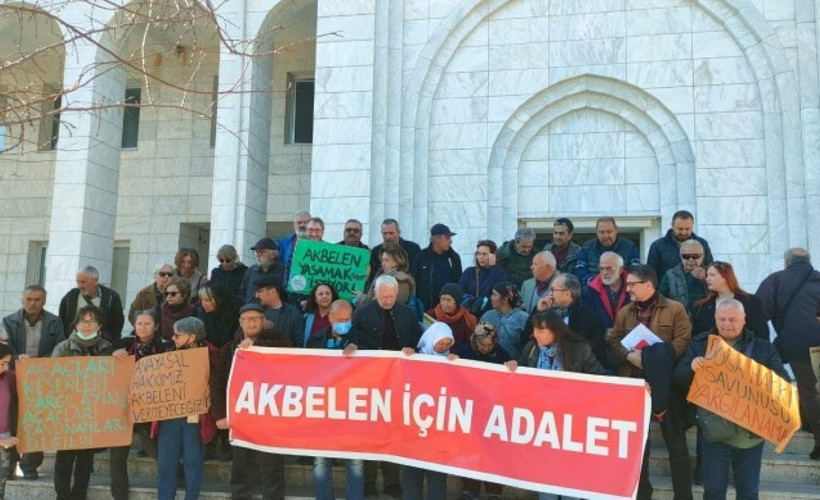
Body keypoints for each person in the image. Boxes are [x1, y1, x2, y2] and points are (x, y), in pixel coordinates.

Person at [674, 299, 789, 498]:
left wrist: (757, 378)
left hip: (751, 435)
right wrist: (692, 366)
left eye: (733, 319)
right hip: (713, 432)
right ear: (715, 319)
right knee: (713, 491)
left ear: (744, 320)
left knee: (748, 493)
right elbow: (679, 377)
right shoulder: (700, 343)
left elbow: (784, 384)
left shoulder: (763, 348)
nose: (727, 324)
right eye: (722, 319)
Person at [607, 265, 692, 500]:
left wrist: (652, 361)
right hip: (634, 386)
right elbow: (614, 340)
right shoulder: (625, 312)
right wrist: (628, 356)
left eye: (632, 284)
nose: (628, 288)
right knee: (637, 449)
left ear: (648, 284)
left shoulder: (675, 309)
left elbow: (683, 342)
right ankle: (642, 495)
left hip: (666, 386)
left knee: (676, 446)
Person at [349, 275, 422, 498]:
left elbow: (419, 341)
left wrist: (412, 349)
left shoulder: (408, 313)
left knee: (392, 432)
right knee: (370, 434)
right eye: (384, 297)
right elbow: (353, 337)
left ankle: (392, 483)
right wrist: (352, 344)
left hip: (398, 383)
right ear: (376, 295)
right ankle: (369, 484)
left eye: (392, 296)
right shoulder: (362, 312)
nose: (388, 300)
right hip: (370, 382)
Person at [211, 304, 291, 499]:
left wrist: (257, 348)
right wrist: (220, 415)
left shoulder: (278, 343)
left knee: (271, 467)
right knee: (241, 468)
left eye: (256, 318)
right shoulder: (229, 348)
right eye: (247, 319)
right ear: (240, 322)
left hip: (270, 417)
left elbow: (291, 361)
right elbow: (217, 384)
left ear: (264, 322)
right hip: (242, 418)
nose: (252, 322)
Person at [755, 247, 820, 459]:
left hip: (799, 347)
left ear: (787, 263)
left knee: (810, 391)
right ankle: (809, 424)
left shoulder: (776, 280)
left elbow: (758, 313)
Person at [51, 305, 115, 500]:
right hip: (67, 413)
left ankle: (79, 495)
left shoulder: (107, 348)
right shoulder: (63, 348)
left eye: (91, 321)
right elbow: (51, 380)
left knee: (85, 460)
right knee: (64, 459)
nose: (87, 325)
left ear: (99, 325)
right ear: (75, 324)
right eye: (82, 321)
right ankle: (62, 496)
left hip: (92, 415)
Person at [305, 300, 365, 498]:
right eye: (340, 319)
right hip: (323, 408)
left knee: (355, 462)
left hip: (352, 409)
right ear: (330, 318)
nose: (344, 323)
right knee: (321, 461)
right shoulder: (316, 339)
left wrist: (361, 349)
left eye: (348, 319)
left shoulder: (361, 340)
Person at [1, 284, 63, 479]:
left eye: (37, 299)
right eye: (29, 299)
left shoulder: (55, 322)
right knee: (11, 419)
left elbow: (59, 348)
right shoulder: (8, 320)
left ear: (44, 301)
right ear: (22, 300)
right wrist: (19, 357)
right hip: (13, 377)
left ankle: (30, 467)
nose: (33, 303)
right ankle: (9, 466)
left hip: (41, 380)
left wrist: (37, 364)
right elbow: (4, 346)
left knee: (37, 423)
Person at [110, 309, 169, 500]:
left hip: (147, 408)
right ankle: (119, 496)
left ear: (156, 326)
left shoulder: (166, 348)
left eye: (147, 324)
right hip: (122, 407)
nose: (142, 327)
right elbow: (103, 358)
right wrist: (113, 352)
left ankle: (181, 476)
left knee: (153, 449)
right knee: (117, 455)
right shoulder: (125, 344)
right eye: (139, 324)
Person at [157, 317, 215, 500]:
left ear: (192, 336)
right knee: (166, 464)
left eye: (177, 335)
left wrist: (210, 388)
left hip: (195, 418)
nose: (173, 338)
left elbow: (220, 383)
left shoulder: (212, 356)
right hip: (169, 417)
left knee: (193, 463)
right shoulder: (167, 355)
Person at [399, 322, 456, 500]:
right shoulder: (415, 357)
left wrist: (458, 367)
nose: (444, 347)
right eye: (441, 342)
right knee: (412, 477)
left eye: (448, 343)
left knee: (437, 480)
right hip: (414, 430)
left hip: (439, 432)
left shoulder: (454, 362)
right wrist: (407, 358)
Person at [454, 323, 509, 500]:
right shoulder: (464, 352)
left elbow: (512, 380)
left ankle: (494, 492)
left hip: (493, 413)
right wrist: (451, 362)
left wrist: (512, 366)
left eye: (489, 346)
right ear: (475, 342)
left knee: (494, 454)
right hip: (469, 411)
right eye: (482, 345)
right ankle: (470, 490)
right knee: (471, 451)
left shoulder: (502, 354)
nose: (486, 349)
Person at [536, 273, 608, 371]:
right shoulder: (546, 312)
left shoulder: (591, 319)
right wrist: (539, 311)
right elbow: (527, 338)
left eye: (553, 290)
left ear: (567, 294)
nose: (550, 294)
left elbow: (599, 355)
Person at [692, 261, 768, 339]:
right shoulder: (702, 306)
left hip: (744, 350)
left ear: (725, 277)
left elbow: (761, 333)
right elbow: (697, 337)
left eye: (712, 275)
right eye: (707, 275)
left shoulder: (751, 302)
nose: (707, 279)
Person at [58, 265, 125, 340]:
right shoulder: (70, 297)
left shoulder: (112, 297)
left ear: (96, 281)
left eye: (83, 282)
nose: (80, 285)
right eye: (78, 281)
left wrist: (111, 341)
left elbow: (118, 322)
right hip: (74, 344)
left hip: (101, 345)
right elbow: (61, 320)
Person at [647, 210, 714, 278]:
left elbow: (711, 268)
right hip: (668, 287)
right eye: (680, 229)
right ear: (672, 226)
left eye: (687, 229)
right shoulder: (657, 246)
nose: (683, 232)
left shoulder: (703, 244)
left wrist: (705, 273)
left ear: (692, 226)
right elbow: (651, 274)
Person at [575, 217, 640, 285]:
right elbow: (580, 270)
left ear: (616, 230)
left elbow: (635, 271)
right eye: (601, 232)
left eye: (609, 232)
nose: (606, 236)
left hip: (622, 289)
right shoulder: (586, 247)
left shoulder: (630, 246)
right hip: (593, 289)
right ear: (596, 232)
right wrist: (597, 283)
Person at [412, 223, 463, 310]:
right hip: (426, 308)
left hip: (449, 308)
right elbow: (414, 280)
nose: (450, 241)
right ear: (436, 239)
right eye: (447, 238)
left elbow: (458, 282)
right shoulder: (421, 257)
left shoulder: (454, 257)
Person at [658, 239, 708, 320]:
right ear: (680, 256)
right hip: (680, 322)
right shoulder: (670, 275)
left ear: (703, 256)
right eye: (686, 256)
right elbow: (661, 301)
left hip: (706, 323)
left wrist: (707, 279)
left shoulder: (711, 273)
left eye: (696, 256)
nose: (691, 260)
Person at [479, 282, 529, 361]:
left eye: (494, 295)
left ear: (505, 299)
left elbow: (527, 347)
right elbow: (477, 340)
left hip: (513, 367)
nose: (491, 298)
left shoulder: (523, 318)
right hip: (488, 365)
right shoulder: (487, 316)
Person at [581, 251, 630, 329]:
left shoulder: (634, 288)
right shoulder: (588, 291)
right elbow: (586, 322)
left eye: (609, 268)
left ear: (620, 269)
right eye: (601, 269)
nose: (604, 273)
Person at [459, 240, 507, 315]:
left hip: (492, 314)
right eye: (479, 254)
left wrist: (493, 267)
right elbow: (460, 292)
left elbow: (496, 290)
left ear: (493, 255)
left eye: (484, 254)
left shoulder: (500, 273)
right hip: (470, 313)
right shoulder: (469, 272)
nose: (481, 257)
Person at [255, 274, 304, 348]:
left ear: (272, 292)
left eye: (260, 291)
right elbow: (240, 334)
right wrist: (256, 326)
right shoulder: (255, 312)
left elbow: (298, 342)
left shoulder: (294, 313)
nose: (257, 295)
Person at [425, 283, 477, 350]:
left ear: (457, 302)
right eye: (442, 299)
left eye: (449, 300)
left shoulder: (467, 320)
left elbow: (468, 345)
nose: (444, 304)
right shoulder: (431, 314)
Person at [238, 237, 284, 304]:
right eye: (256, 252)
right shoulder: (250, 272)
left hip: (275, 313)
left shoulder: (283, 271)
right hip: (251, 312)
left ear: (273, 254)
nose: (258, 255)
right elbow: (242, 294)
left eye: (262, 252)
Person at [194, 284, 240, 349]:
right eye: (202, 300)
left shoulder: (234, 317)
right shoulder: (202, 314)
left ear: (219, 300)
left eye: (207, 300)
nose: (203, 304)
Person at [158, 277, 195, 341]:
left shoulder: (194, 311)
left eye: (173, 294)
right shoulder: (160, 310)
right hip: (164, 347)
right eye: (166, 293)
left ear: (184, 294)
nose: (169, 296)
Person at [302, 282, 339, 347]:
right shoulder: (307, 317)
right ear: (315, 299)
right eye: (320, 294)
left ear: (332, 296)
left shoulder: (340, 317)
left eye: (327, 293)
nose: (324, 296)